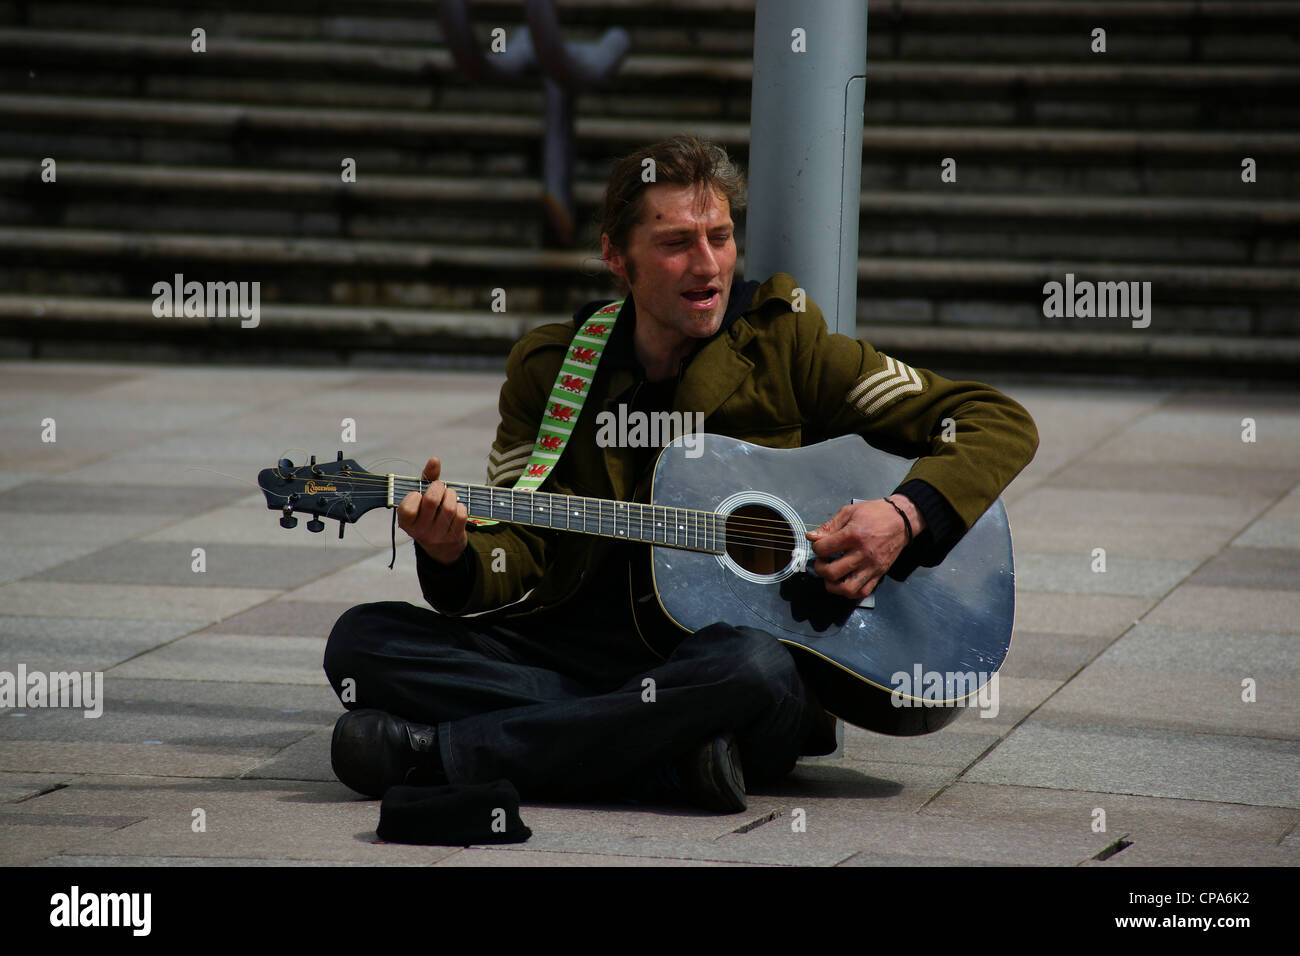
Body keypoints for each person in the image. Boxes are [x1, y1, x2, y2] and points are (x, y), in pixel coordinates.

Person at [323, 135, 1038, 813]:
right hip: (582, 657)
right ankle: (662, 758)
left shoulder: (787, 346)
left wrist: (905, 516)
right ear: (615, 256)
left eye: (720, 237)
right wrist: (450, 552)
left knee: (751, 670)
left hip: (719, 667)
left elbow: (994, 419)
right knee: (362, 642)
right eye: (675, 244)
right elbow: (517, 551)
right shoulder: (554, 370)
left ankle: (444, 753)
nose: (708, 265)